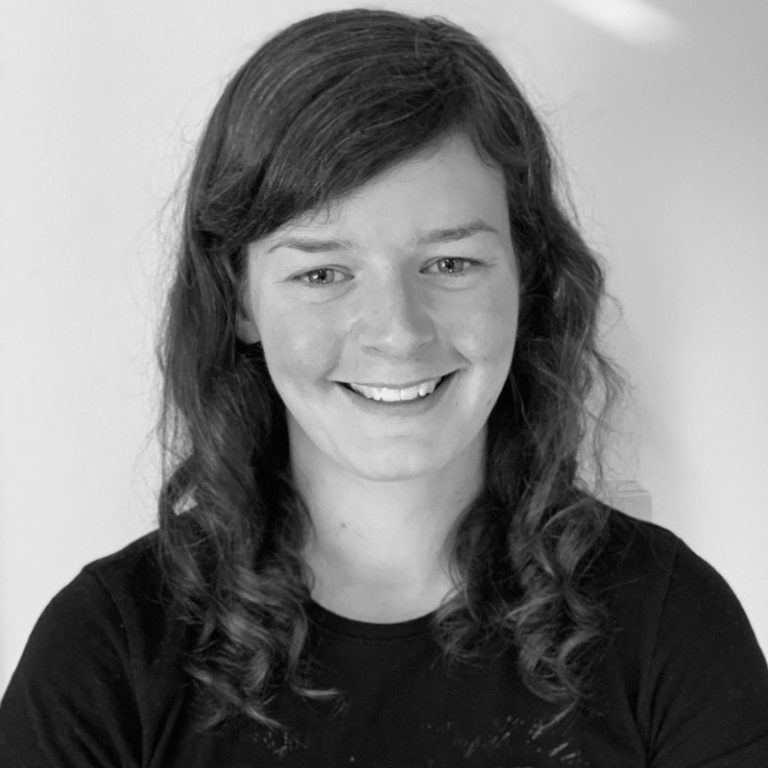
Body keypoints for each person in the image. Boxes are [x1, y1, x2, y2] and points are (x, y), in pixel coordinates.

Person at [1, 8, 766, 767]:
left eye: (450, 263)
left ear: (526, 277)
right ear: (239, 300)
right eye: (323, 273)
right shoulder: (105, 654)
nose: (398, 332)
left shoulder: (671, 625)